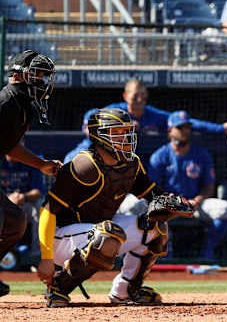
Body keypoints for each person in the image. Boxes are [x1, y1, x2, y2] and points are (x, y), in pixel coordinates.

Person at [36, 108, 193, 308]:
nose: (125, 137)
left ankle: (126, 290)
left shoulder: (131, 163)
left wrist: (177, 204)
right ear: (98, 136)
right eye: (116, 132)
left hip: (99, 230)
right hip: (61, 238)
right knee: (107, 235)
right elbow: (47, 210)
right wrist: (46, 258)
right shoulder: (84, 166)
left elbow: (155, 196)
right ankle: (58, 287)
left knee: (154, 228)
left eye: (126, 131)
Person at [0, 50, 60, 297]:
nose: (42, 82)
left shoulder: (20, 104)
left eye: (44, 76)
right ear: (17, 76)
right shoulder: (6, 102)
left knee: (15, 221)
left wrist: (41, 165)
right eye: (36, 75)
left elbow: (10, 147)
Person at [64, 79, 227, 163]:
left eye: (143, 96)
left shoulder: (151, 114)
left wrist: (219, 128)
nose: (139, 100)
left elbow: (183, 121)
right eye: (135, 96)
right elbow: (91, 120)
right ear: (125, 96)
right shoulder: (115, 111)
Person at [148, 111, 227, 260]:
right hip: (169, 205)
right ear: (170, 130)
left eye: (187, 127)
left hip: (194, 204)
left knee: (225, 209)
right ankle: (165, 255)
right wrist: (172, 202)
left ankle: (207, 254)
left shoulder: (201, 154)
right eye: (180, 127)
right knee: (149, 211)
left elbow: (209, 186)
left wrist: (198, 199)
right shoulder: (159, 156)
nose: (185, 131)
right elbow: (152, 191)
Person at [1, 143, 47, 256]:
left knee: (40, 207)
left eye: (20, 143)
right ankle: (7, 254)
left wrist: (23, 197)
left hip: (24, 203)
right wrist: (7, 199)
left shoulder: (30, 160)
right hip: (3, 203)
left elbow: (38, 191)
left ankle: (37, 255)